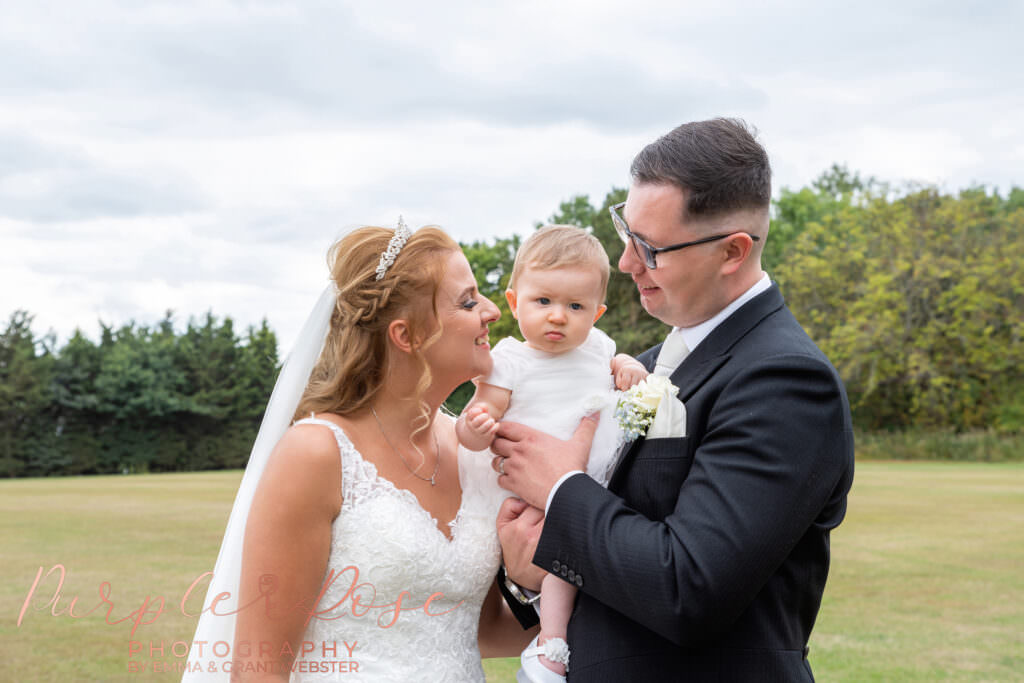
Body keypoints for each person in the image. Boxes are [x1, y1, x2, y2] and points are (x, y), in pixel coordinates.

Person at [493, 118, 855, 681]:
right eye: (626, 234)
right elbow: (604, 565)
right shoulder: (644, 361)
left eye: (650, 248)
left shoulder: (786, 380)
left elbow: (690, 588)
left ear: (732, 251)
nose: (625, 264)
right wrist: (529, 572)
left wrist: (562, 492)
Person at [184, 221, 535, 682]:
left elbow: (482, 628)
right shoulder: (317, 454)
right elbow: (260, 668)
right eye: (468, 301)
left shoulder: (476, 449)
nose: (490, 311)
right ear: (406, 336)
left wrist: (577, 595)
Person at [454, 225, 647, 681]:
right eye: (544, 302)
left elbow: (616, 364)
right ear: (514, 301)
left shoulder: (598, 347)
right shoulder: (511, 360)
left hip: (593, 480)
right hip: (529, 485)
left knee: (583, 553)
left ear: (597, 313)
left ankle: (557, 642)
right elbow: (479, 415)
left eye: (575, 306)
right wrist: (474, 427)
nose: (558, 316)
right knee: (561, 558)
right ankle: (551, 644)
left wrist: (630, 366)